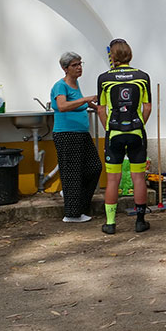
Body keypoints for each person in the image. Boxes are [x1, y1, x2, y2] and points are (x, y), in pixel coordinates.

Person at [96, 39, 152, 235]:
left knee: (113, 179)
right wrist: (140, 124)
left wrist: (108, 128)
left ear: (112, 56)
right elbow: (147, 107)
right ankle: (140, 222)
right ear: (130, 54)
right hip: (136, 132)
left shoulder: (104, 78)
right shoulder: (142, 77)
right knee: (138, 177)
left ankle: (110, 223)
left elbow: (101, 109)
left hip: (114, 132)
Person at [51, 52, 101, 223]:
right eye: (75, 65)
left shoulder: (75, 84)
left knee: (94, 167)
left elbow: (79, 101)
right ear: (65, 68)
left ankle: (77, 201)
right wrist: (86, 99)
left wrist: (96, 106)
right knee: (72, 172)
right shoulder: (60, 86)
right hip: (66, 134)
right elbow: (62, 106)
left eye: (80, 64)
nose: (79, 67)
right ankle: (72, 214)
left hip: (81, 134)